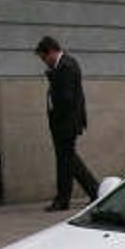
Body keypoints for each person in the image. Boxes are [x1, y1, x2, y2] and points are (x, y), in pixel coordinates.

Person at [35, 36, 98, 212]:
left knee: (66, 161)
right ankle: (91, 192)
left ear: (51, 52)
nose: (44, 62)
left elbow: (67, 98)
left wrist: (57, 117)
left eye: (44, 58)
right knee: (68, 160)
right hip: (63, 122)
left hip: (66, 122)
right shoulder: (61, 66)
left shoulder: (66, 66)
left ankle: (68, 198)